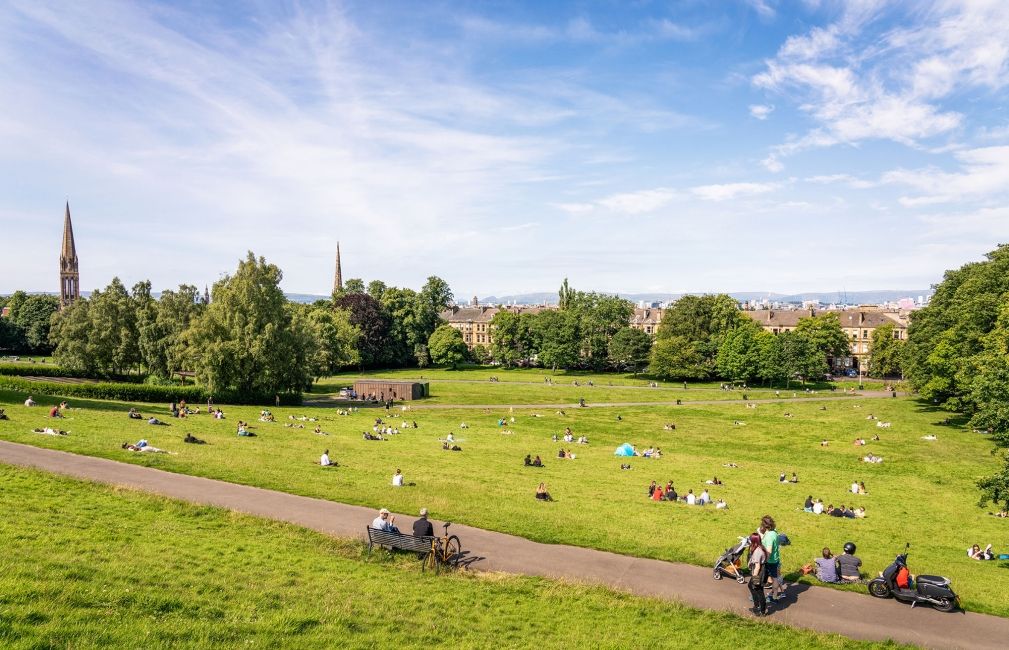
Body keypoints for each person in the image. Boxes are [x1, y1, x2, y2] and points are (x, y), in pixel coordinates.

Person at [759, 515, 784, 602]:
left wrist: (764, 561)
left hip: (769, 561)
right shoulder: (774, 532)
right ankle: (775, 597)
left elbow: (769, 551)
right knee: (775, 578)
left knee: (763, 578)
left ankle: (760, 597)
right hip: (775, 559)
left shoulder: (769, 536)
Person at [747, 532, 769, 616]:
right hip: (761, 571)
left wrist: (754, 577)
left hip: (759, 573)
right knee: (751, 586)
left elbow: (757, 567)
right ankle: (756, 606)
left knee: (758, 590)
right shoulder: (761, 547)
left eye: (750, 540)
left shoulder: (757, 551)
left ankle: (762, 611)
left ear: (754, 541)